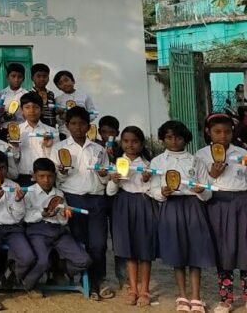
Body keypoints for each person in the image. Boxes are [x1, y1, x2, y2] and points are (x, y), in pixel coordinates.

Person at [150, 120, 215, 313]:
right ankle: (182, 296)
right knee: (176, 252)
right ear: (162, 139)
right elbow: (152, 189)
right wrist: (162, 192)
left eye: (178, 137)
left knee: (195, 251)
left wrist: (201, 190)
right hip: (171, 208)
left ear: (185, 139)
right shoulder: (158, 162)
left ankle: (196, 297)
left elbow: (208, 191)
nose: (174, 141)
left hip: (193, 207)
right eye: (169, 137)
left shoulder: (196, 161)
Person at [52, 106, 112, 299]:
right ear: (67, 125)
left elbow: (106, 176)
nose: (78, 127)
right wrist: (62, 171)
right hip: (73, 197)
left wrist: (104, 176)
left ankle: (98, 280)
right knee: (80, 241)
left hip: (96, 198)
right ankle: (81, 279)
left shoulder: (98, 149)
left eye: (82, 123)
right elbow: (56, 178)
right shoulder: (59, 148)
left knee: (99, 244)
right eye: (73, 123)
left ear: (88, 126)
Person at [196, 114, 247, 313]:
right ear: (209, 132)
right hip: (217, 203)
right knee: (224, 251)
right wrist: (212, 175)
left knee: (245, 248)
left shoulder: (242, 152)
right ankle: (225, 299)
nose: (223, 136)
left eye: (227, 131)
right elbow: (199, 184)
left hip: (243, 202)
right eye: (217, 131)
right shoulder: (201, 155)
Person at [23, 158, 91, 294]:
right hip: (37, 231)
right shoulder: (28, 192)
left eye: (50, 176)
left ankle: (58, 270)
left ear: (54, 176)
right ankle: (28, 284)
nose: (46, 180)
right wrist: (43, 214)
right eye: (41, 176)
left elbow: (63, 221)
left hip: (58, 232)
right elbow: (25, 217)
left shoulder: (59, 194)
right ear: (34, 176)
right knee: (43, 262)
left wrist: (64, 214)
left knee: (84, 260)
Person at [106, 126, 157, 307]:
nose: (130, 145)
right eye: (126, 141)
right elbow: (110, 192)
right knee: (129, 248)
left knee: (144, 249)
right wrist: (115, 180)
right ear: (122, 143)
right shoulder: (118, 163)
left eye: (135, 141)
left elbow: (154, 190)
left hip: (144, 204)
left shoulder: (149, 165)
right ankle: (133, 288)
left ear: (142, 144)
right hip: (123, 205)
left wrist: (146, 180)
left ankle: (145, 290)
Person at [0, 150, 38, 296]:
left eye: (2, 167)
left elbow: (19, 216)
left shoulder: (14, 185)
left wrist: (18, 201)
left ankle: (11, 273)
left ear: (7, 168)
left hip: (13, 229)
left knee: (28, 257)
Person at [15, 92, 55, 186]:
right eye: (27, 107)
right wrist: (15, 146)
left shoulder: (51, 131)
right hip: (24, 176)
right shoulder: (16, 131)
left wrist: (48, 147)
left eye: (36, 107)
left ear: (41, 109)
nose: (32, 110)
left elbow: (55, 158)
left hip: (45, 178)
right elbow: (14, 158)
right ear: (22, 110)